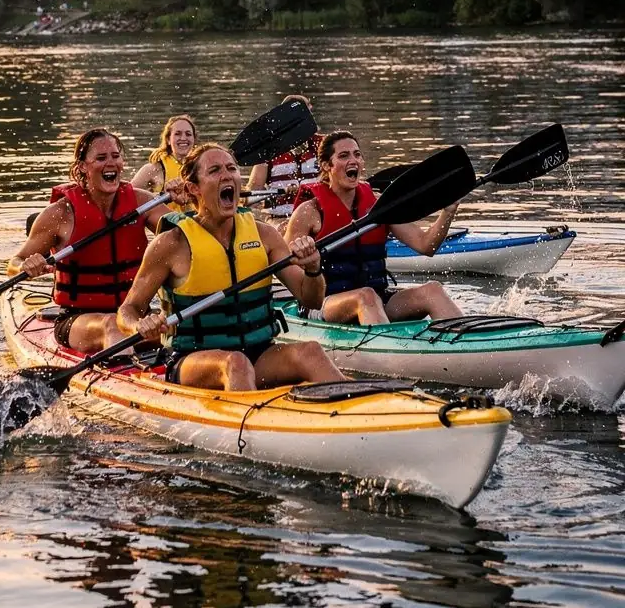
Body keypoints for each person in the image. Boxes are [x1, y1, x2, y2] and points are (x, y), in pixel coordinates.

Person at [117, 142, 342, 391]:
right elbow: (128, 310)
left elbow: (312, 300)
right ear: (193, 188)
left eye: (231, 168)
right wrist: (139, 325)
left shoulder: (264, 235)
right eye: (214, 170)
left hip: (259, 353)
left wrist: (313, 269)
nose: (227, 175)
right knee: (235, 363)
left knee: (311, 352)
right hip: (192, 360)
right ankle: (252, 416)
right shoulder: (171, 244)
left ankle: (358, 408)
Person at [9, 127, 178, 353]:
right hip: (78, 319)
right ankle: (127, 370)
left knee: (178, 325)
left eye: (115, 156)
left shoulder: (142, 203)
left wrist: (195, 197)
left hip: (135, 316)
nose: (111, 163)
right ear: (82, 167)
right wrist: (25, 265)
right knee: (112, 325)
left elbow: (188, 235)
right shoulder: (60, 214)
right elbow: (14, 263)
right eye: (101, 158)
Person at [284, 130, 464, 326]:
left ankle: (472, 340)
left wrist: (448, 211)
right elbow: (286, 265)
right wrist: (304, 256)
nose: (353, 160)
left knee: (432, 290)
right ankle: (389, 345)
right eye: (343, 156)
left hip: (377, 300)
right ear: (327, 165)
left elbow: (426, 245)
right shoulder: (309, 211)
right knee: (366, 296)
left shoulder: (379, 206)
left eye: (357, 154)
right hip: (324, 306)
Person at [244, 93, 321, 217]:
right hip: (279, 219)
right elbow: (251, 196)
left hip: (318, 217)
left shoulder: (324, 145)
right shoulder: (268, 151)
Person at [131, 114, 197, 207]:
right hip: (163, 216)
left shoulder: (202, 169)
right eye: (177, 134)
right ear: (168, 140)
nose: (183, 138)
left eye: (188, 134)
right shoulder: (152, 169)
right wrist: (163, 196)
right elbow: (127, 196)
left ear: (194, 139)